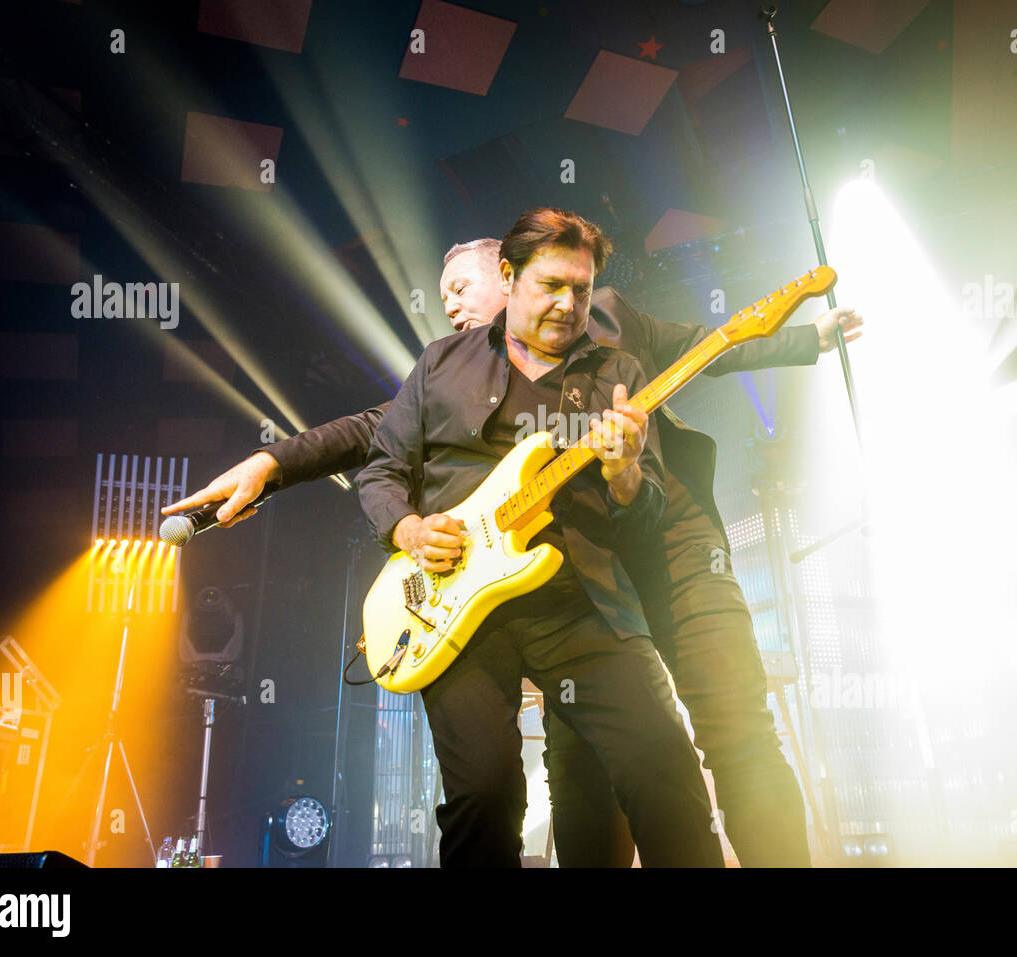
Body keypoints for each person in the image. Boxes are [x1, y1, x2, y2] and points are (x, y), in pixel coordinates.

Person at [165, 216, 862, 867]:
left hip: (668, 549)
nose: (450, 306)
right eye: (442, 297)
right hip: (567, 579)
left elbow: (713, 343)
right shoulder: (451, 368)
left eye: (460, 289)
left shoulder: (610, 332)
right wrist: (272, 462)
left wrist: (811, 339)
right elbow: (373, 436)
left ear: (505, 279)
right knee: (575, 766)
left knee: (728, 730)